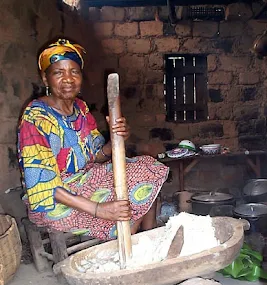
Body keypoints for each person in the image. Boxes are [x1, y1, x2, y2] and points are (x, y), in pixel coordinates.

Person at [17, 38, 169, 241]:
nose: (68, 79)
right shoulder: (36, 117)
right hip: (54, 202)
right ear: (45, 79)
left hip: (84, 181)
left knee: (146, 167)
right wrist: (99, 209)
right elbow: (44, 187)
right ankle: (128, 251)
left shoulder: (80, 108)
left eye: (74, 72)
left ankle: (149, 240)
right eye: (58, 73)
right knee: (121, 207)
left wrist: (116, 138)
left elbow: (96, 156)